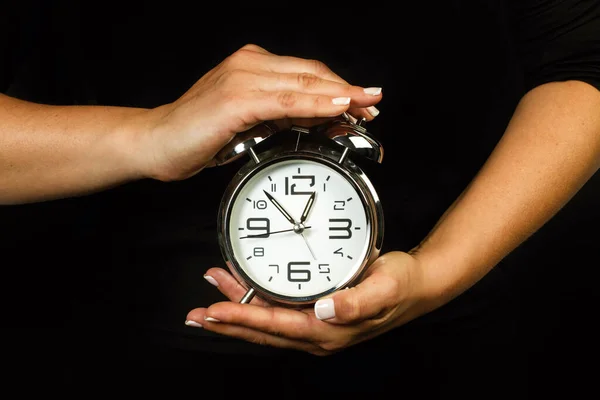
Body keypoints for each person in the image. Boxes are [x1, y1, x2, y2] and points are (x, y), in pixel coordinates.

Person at [1, 1, 598, 398]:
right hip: (94, 339)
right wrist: (148, 135)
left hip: (457, 329)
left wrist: (439, 271)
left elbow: (584, 57)